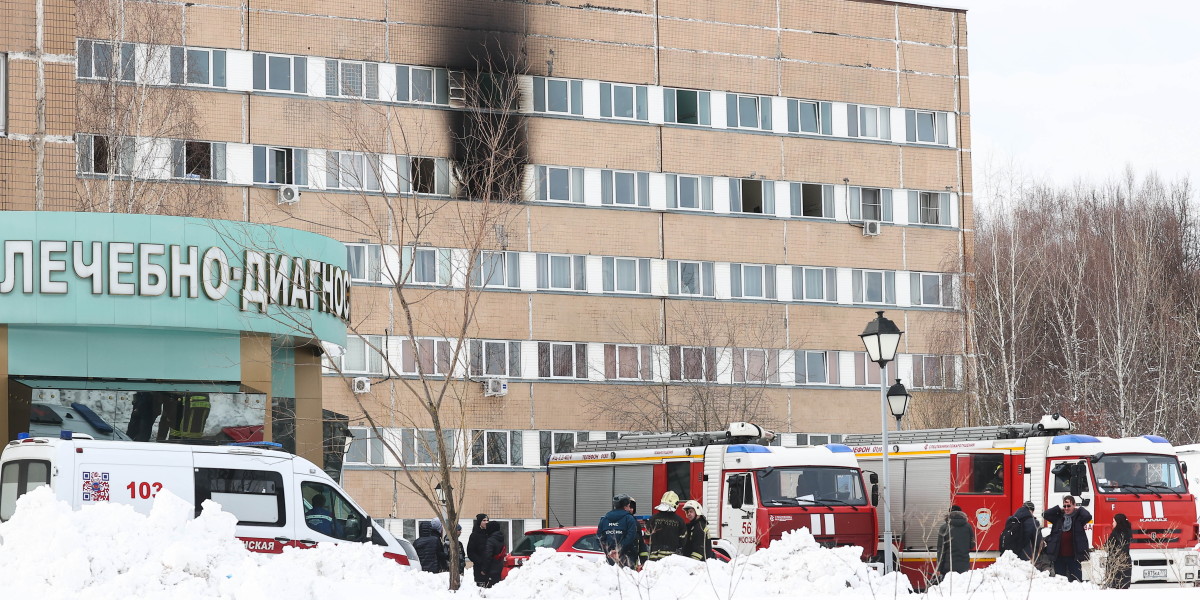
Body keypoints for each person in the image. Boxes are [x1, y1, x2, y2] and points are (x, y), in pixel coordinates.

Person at [1043, 494, 1092, 582]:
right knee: (1060, 580)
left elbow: (1088, 516)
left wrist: (1079, 509)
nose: (1066, 508)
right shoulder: (1058, 518)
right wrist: (1058, 509)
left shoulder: (1078, 519)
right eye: (1064, 506)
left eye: (1068, 506)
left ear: (1074, 505)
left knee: (1076, 581)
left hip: (1074, 557)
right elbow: (1045, 514)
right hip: (1059, 557)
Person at [598, 494, 641, 567]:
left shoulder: (604, 519)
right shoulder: (629, 519)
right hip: (628, 558)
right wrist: (619, 550)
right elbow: (631, 537)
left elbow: (599, 538)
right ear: (626, 506)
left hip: (611, 558)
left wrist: (609, 551)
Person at [936, 505, 974, 577]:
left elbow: (940, 550)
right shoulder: (968, 527)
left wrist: (938, 568)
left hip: (948, 567)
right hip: (964, 566)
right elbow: (972, 545)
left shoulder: (944, 527)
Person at [647, 491, 686, 560]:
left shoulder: (652, 519)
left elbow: (647, 538)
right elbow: (683, 541)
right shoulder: (680, 521)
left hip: (654, 557)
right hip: (671, 559)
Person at [1106, 513, 1133, 589]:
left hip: (1116, 562)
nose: (1112, 523)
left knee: (1115, 586)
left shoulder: (1116, 533)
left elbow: (1108, 546)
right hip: (1126, 561)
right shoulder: (1128, 532)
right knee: (1124, 586)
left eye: (1114, 521)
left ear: (1118, 522)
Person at [467, 514, 491, 587]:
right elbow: (470, 552)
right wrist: (480, 561)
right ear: (479, 522)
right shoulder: (474, 535)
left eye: (487, 520)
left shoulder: (490, 533)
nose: (486, 522)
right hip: (479, 568)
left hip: (490, 567)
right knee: (481, 590)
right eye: (484, 520)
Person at [483, 520, 507, 587]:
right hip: (500, 567)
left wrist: (484, 570)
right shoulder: (501, 538)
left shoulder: (490, 540)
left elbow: (488, 556)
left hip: (492, 569)